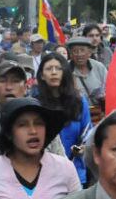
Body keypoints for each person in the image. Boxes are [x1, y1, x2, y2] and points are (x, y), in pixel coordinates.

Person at [33, 53, 92, 184]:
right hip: (43, 174)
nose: (54, 72)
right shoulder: (35, 104)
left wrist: (82, 148)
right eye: (49, 69)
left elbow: (87, 133)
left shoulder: (79, 102)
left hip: (75, 171)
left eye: (58, 68)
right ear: (42, 75)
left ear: (65, 72)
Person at [67, 36, 107, 120]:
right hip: (75, 115)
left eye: (82, 50)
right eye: (75, 51)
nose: (79, 54)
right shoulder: (65, 68)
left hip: (97, 115)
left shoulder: (99, 67)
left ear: (89, 53)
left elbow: (108, 88)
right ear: (70, 54)